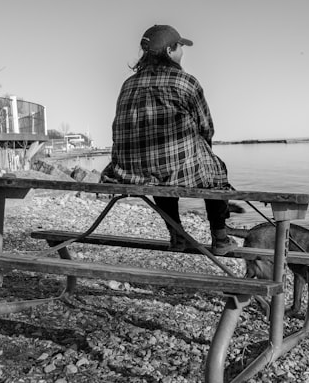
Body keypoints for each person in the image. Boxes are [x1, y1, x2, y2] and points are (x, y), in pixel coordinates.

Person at [100, 24, 235, 255]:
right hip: (172, 166)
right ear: (170, 50)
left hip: (132, 169)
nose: (182, 52)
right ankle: (220, 239)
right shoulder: (185, 81)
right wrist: (204, 153)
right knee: (215, 171)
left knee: (158, 175)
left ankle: (177, 236)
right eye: (180, 47)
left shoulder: (128, 84)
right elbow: (206, 128)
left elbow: (118, 128)